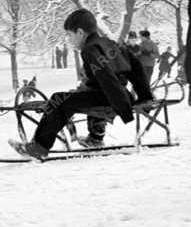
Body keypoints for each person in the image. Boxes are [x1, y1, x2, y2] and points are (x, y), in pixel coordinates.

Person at [9, 8, 154, 159]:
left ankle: (38, 147)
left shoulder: (89, 49)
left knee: (59, 100)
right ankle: (95, 138)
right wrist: (145, 96)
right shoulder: (109, 43)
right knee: (83, 94)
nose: (69, 40)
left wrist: (123, 108)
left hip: (112, 98)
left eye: (69, 35)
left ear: (80, 32)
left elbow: (106, 77)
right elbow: (135, 66)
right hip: (118, 95)